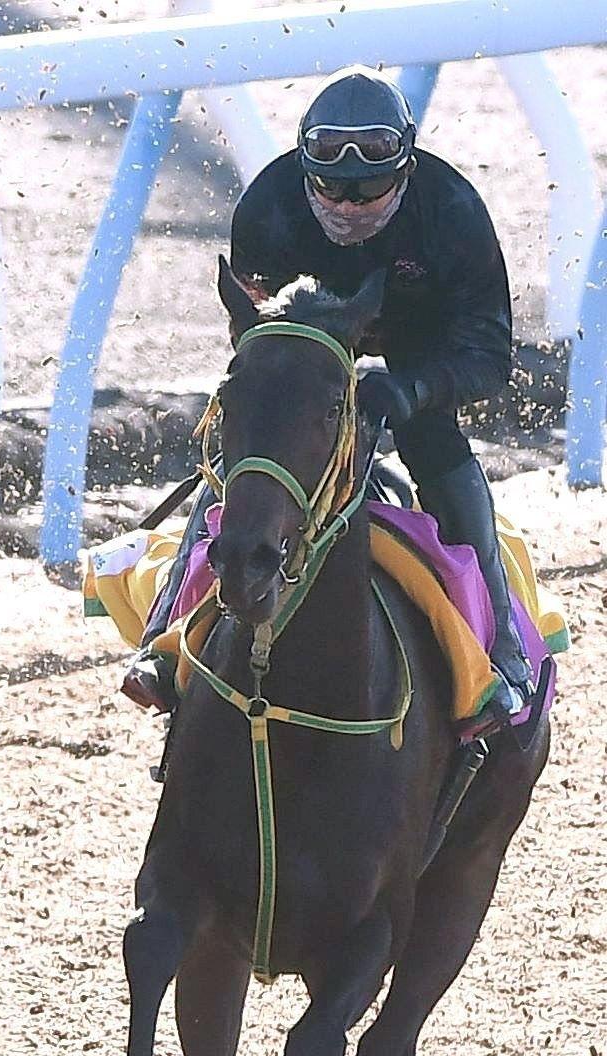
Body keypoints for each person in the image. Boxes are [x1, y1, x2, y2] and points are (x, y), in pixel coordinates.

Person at [122, 65, 532, 718]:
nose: (346, 207)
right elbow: (256, 337)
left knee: (433, 444)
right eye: (330, 191)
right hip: (306, 327)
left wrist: (412, 388)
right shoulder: (267, 207)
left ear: (406, 170)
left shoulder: (452, 213)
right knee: (246, 457)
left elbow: (488, 354)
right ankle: (161, 643)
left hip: (415, 340)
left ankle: (504, 651)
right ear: (304, 171)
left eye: (367, 192)